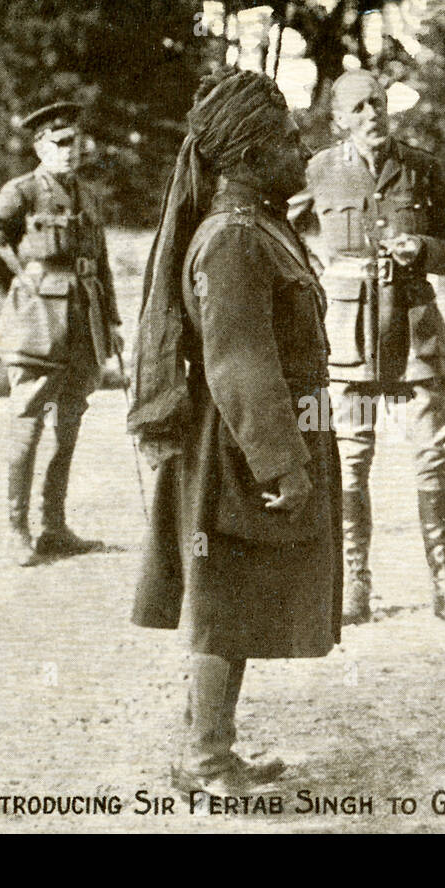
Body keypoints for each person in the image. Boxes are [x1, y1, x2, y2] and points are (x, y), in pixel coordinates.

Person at [127, 68, 341, 799]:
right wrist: (283, 464)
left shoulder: (260, 227)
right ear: (249, 156)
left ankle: (210, 748)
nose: (301, 149)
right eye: (287, 140)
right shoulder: (232, 237)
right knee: (221, 601)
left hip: (257, 438)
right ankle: (207, 761)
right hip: (240, 447)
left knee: (235, 597)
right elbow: (240, 362)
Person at [288, 71, 445, 629]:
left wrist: (421, 246)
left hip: (414, 335)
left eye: (380, 103)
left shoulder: (422, 167)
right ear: (339, 120)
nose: (374, 114)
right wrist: (314, 270)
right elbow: (281, 225)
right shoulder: (318, 169)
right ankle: (353, 587)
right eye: (360, 107)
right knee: (350, 464)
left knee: (431, 460)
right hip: (347, 339)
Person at [0, 101, 121, 566]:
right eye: (61, 143)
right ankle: (17, 529)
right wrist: (18, 290)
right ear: (40, 147)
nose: (72, 151)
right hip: (36, 326)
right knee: (27, 426)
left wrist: (110, 320)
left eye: (77, 141)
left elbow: (102, 264)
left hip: (82, 325)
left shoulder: (87, 196)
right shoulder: (22, 192)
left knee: (67, 428)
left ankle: (53, 526)